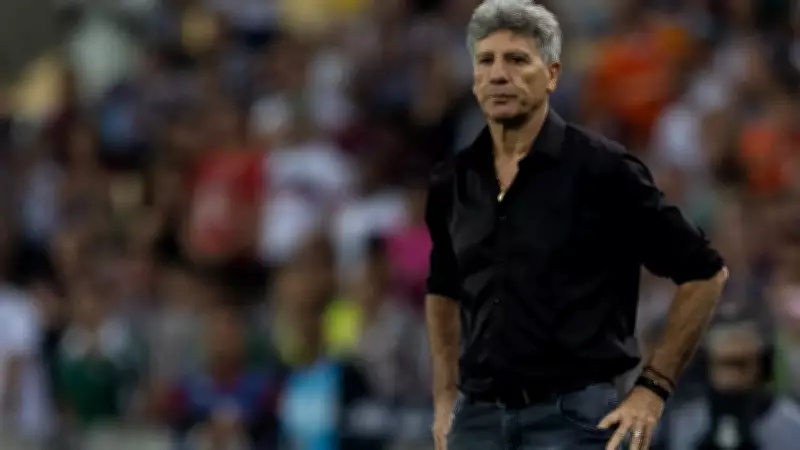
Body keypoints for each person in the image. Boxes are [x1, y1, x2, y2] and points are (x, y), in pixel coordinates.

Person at [424, 1, 729, 450]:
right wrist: (445, 393)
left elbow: (704, 273)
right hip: (477, 421)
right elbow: (443, 288)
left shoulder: (603, 170)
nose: (498, 74)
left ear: (552, 75)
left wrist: (653, 388)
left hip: (575, 419)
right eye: (486, 61)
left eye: (517, 60)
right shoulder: (453, 179)